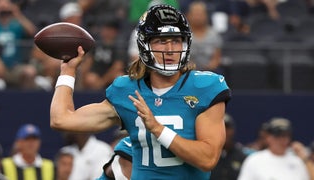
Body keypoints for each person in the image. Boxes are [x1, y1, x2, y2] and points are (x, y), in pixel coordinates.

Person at [50, 4, 231, 179]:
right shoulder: (126, 90)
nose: (170, 50)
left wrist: (158, 129)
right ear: (144, 45)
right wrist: (68, 71)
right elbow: (61, 120)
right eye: (161, 41)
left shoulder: (205, 87)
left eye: (176, 41)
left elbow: (208, 159)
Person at [238, 117, 310, 180]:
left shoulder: (297, 162)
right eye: (278, 136)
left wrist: (305, 158)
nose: (283, 140)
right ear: (268, 138)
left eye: (286, 136)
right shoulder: (254, 160)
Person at [185, 1, 224, 73]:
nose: (197, 18)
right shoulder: (183, 35)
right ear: (188, 15)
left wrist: (211, 66)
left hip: (211, 71)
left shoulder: (214, 34)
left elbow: (217, 57)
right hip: (188, 72)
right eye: (195, 14)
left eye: (200, 14)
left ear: (206, 16)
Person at [210, 113, 248, 180]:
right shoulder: (206, 154)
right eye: (220, 127)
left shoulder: (242, 157)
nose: (224, 131)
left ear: (233, 130)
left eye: (227, 128)